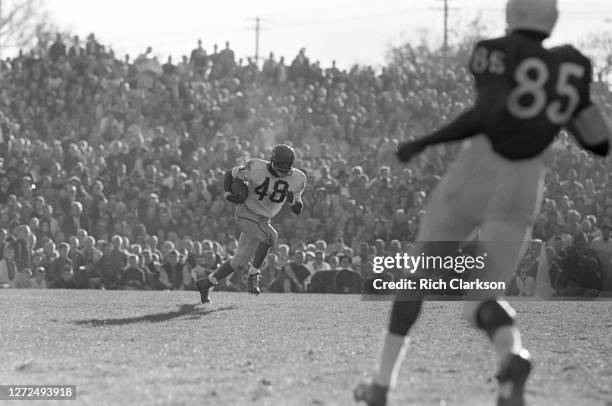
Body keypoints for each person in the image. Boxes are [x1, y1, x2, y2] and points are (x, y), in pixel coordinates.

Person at [354, 1, 612, 406]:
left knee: (419, 276)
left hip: (480, 167)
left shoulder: (495, 51)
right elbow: (599, 143)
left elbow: (484, 114)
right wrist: (566, 109)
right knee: (483, 298)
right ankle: (512, 357)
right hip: (526, 182)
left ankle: (381, 385)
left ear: (512, 14)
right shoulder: (571, 66)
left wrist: (421, 142)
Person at [196, 144, 306, 303]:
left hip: (263, 219)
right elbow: (230, 174)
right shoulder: (256, 167)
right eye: (279, 166)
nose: (282, 172)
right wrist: (228, 193)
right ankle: (254, 275)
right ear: (272, 160)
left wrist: (292, 202)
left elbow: (298, 209)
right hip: (246, 213)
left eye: (285, 168)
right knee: (271, 237)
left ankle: (206, 283)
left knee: (238, 263)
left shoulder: (298, 178)